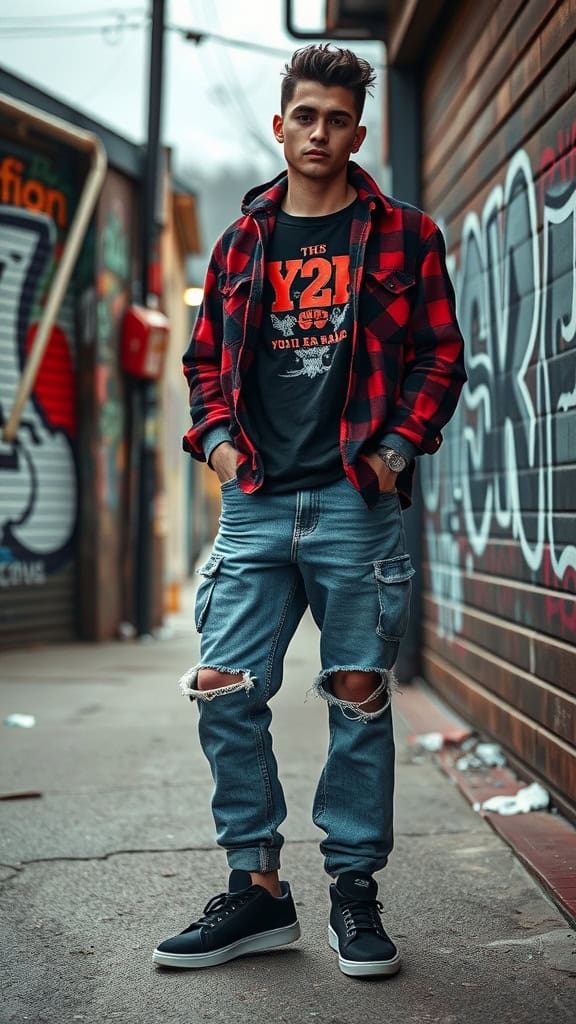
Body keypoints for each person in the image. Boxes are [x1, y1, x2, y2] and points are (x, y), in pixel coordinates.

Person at [153, 43, 466, 978]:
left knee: (359, 703)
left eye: (336, 119)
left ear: (357, 131)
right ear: (280, 124)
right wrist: (216, 445)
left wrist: (392, 452)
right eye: (305, 116)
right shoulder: (242, 241)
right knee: (225, 693)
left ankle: (354, 895)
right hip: (253, 503)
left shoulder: (406, 234)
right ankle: (256, 894)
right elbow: (203, 362)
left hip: (354, 503)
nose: (319, 132)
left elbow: (439, 359)